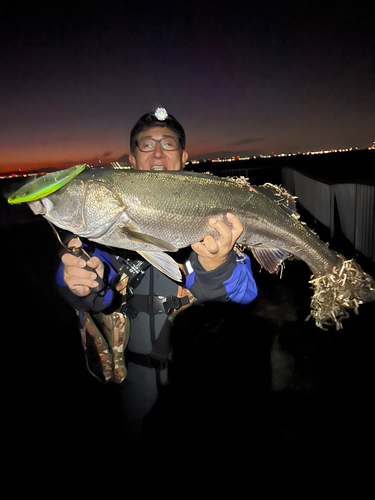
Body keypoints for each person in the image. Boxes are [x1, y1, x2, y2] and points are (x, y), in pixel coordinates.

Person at [56, 107, 258, 440]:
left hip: (199, 382)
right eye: (146, 145)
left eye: (168, 144)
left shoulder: (215, 218)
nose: (158, 153)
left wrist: (216, 267)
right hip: (132, 380)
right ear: (132, 160)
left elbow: (241, 298)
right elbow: (98, 288)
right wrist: (76, 282)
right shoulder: (105, 223)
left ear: (184, 157)